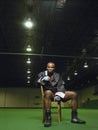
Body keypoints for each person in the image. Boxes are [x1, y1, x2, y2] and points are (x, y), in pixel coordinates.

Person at [37, 62, 86, 127]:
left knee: (74, 94)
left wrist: (59, 95)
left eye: (52, 67)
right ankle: (48, 118)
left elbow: (61, 85)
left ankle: (74, 118)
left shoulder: (57, 75)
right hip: (49, 94)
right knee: (47, 92)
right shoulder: (42, 74)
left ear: (54, 68)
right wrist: (42, 79)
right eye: (49, 67)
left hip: (58, 92)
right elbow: (36, 82)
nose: (50, 68)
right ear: (46, 67)